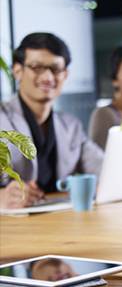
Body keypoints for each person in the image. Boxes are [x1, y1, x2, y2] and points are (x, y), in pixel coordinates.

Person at [0, 32, 104, 209]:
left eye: (55, 69)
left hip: (58, 222)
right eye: (37, 67)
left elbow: (104, 170)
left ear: (65, 74)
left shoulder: (71, 126)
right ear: (17, 71)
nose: (48, 77)